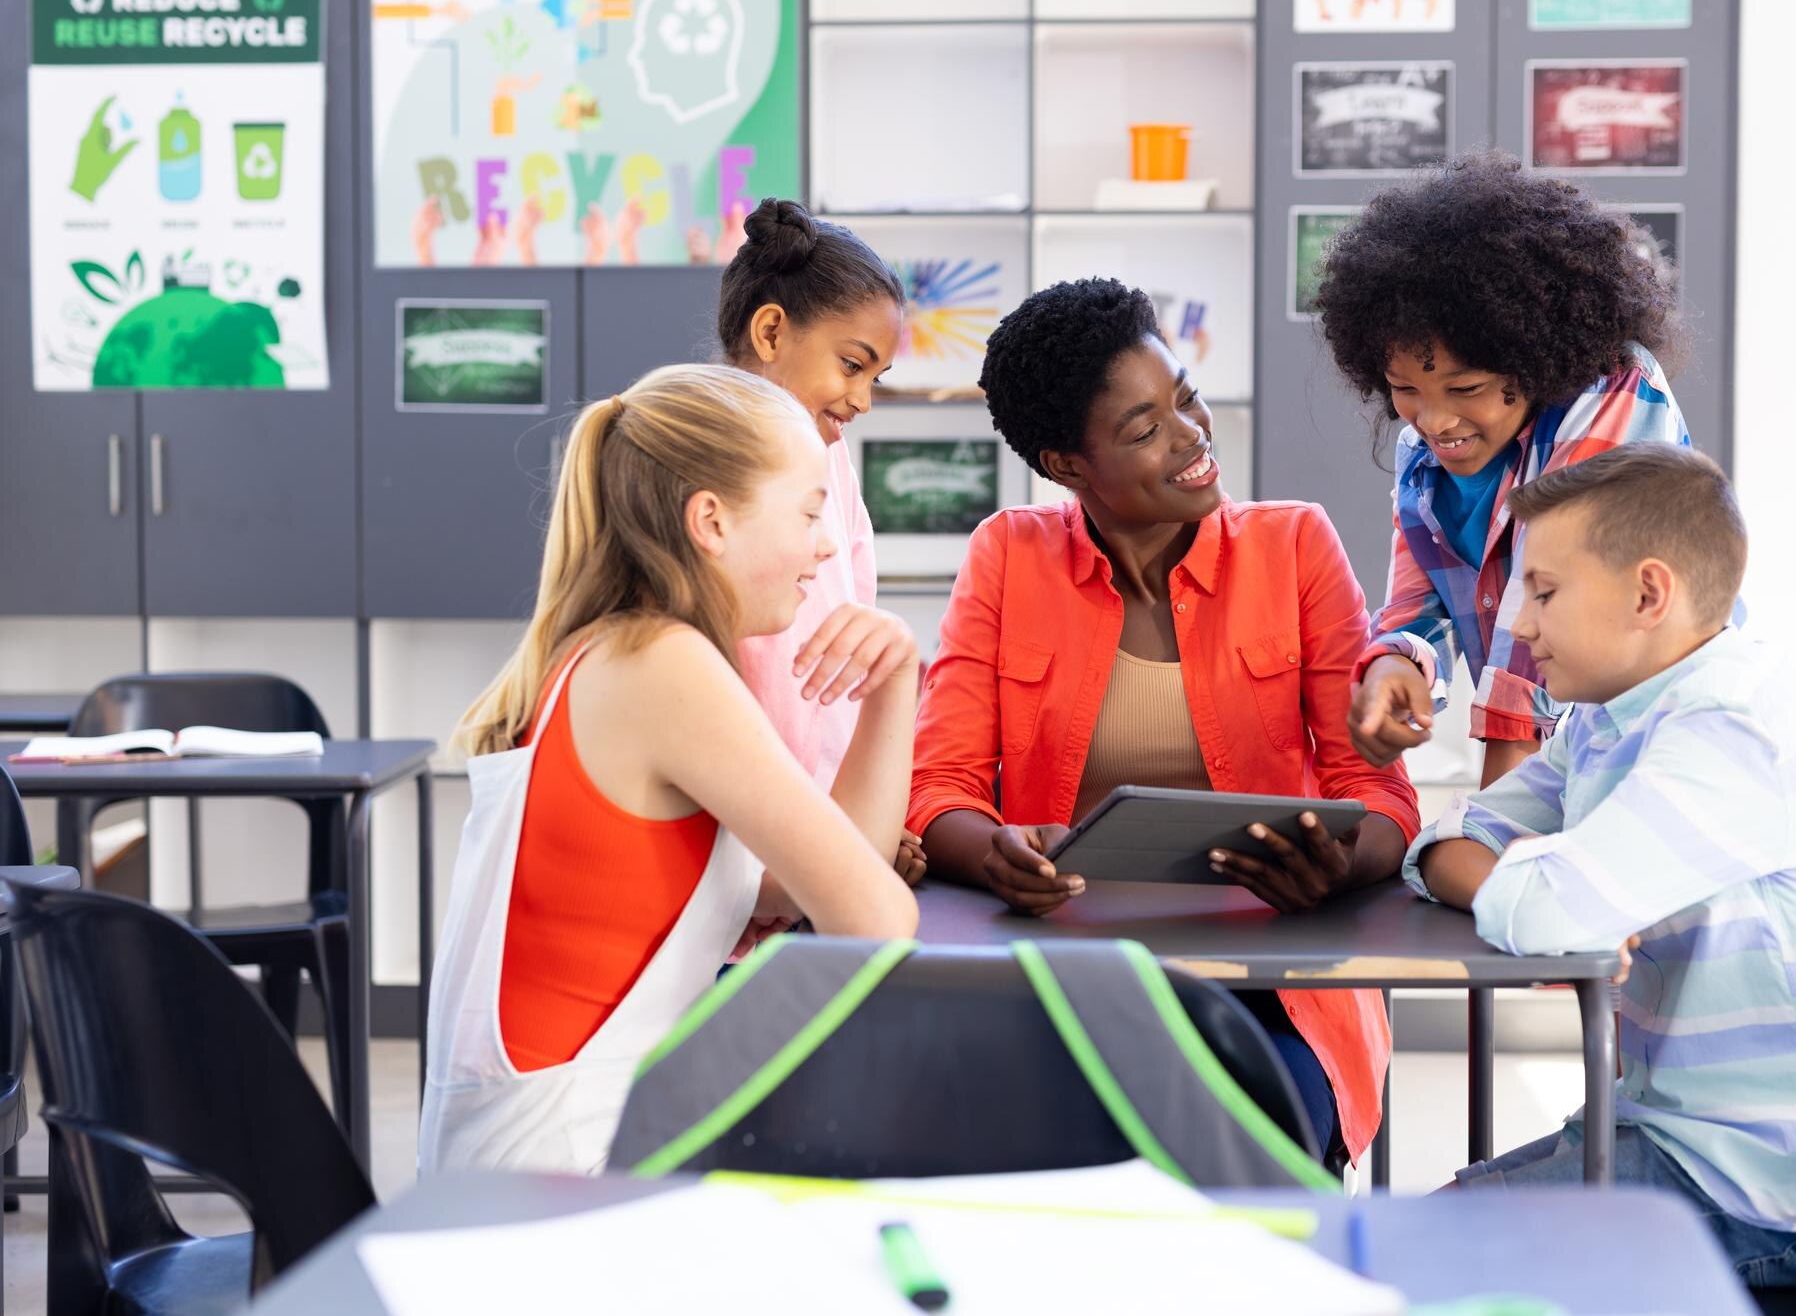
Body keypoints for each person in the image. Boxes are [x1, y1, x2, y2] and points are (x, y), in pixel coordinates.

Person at [909, 278, 1422, 1167]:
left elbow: (1373, 788)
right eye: (1145, 430)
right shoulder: (1007, 555)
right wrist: (991, 853)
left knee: (1258, 1148)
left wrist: (1343, 865)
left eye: (1186, 398)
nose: (1192, 438)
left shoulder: (1294, 545)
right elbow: (941, 786)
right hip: (1069, 975)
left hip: (1271, 980)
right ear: (1067, 464)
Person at [1408, 444, 1796, 1284]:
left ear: (1648, 593)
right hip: (1681, 1137)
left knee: (1430, 1249)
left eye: (1544, 591)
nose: (1521, 625)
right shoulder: (1609, 718)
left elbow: (1549, 914)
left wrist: (1540, 877)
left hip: (1790, 1197)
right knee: (1431, 1230)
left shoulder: (1729, 725)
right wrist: (1530, 872)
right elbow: (1446, 842)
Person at [422, 364, 919, 1175]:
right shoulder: (662, 664)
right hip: (570, 1178)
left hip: (542, 1155)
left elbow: (809, 891)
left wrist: (896, 689)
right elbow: (875, 921)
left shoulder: (609, 653)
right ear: (712, 522)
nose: (827, 545)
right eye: (810, 511)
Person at [1317, 151, 1696, 787]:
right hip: (1560, 769)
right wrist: (1394, 666)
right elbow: (1418, 606)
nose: (1433, 422)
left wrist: (1493, 822)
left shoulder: (1614, 393)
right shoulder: (1424, 456)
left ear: (1537, 360)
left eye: (1466, 388)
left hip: (1663, 749)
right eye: (1403, 389)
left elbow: (1549, 601)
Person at [717, 199, 928, 907]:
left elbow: (847, 648)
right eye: (852, 365)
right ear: (772, 330)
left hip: (826, 842)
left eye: (877, 378)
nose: (863, 400)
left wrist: (867, 821)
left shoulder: (831, 461)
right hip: (748, 859)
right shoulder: (699, 462)